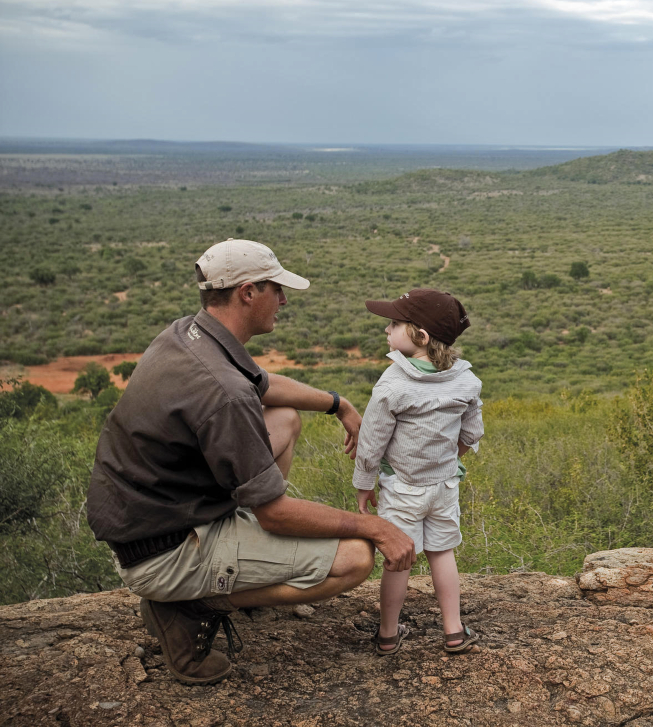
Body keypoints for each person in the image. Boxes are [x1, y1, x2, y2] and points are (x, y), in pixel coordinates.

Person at [86, 238, 416, 686]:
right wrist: (375, 527)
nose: (283, 300)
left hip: (150, 519)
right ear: (247, 293)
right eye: (276, 290)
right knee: (356, 557)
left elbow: (262, 384)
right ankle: (190, 606)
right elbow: (275, 513)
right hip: (164, 553)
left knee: (284, 418)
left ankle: (221, 569)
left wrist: (339, 404)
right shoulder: (224, 393)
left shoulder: (187, 335)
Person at [354, 289, 483, 655]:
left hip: (402, 489)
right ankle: (453, 630)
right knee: (442, 554)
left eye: (395, 324)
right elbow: (472, 433)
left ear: (421, 337)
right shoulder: (466, 381)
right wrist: (449, 459)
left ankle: (388, 634)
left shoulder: (393, 383)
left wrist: (364, 484)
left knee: (399, 560)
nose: (387, 330)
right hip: (444, 486)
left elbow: (372, 441)